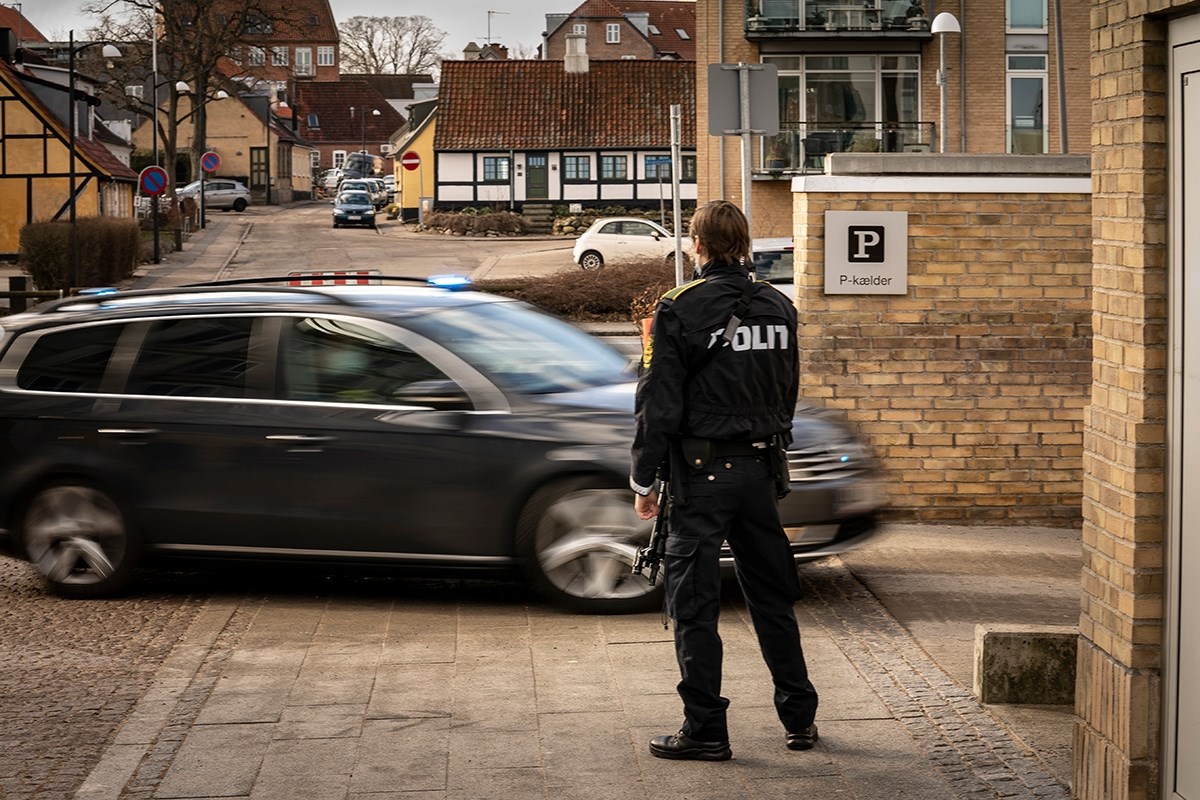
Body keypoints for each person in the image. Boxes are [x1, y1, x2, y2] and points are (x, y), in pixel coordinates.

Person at [630, 199, 818, 761]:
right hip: (760, 472)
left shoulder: (679, 307)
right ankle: (800, 719)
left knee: (694, 606)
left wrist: (644, 480)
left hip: (700, 477)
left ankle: (706, 730)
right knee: (772, 599)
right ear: (745, 244)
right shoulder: (779, 306)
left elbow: (658, 404)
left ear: (698, 245)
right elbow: (788, 390)